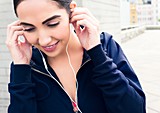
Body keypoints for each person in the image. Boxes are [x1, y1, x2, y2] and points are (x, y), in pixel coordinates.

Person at [6, 0, 146, 113]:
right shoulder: (26, 65)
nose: (43, 40)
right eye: (29, 29)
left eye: (52, 24)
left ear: (71, 12)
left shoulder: (105, 46)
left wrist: (97, 54)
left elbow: (135, 109)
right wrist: (21, 67)